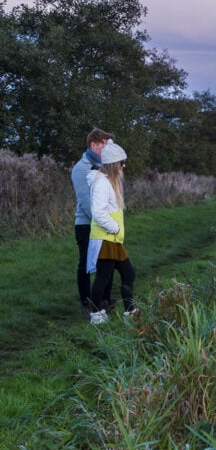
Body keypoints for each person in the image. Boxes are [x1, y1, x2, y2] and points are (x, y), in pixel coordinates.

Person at [86, 142, 137, 325]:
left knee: (128, 273)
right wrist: (114, 228)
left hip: (112, 239)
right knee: (103, 276)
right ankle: (96, 313)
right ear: (114, 164)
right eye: (122, 163)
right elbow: (98, 212)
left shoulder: (110, 182)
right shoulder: (101, 183)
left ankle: (131, 312)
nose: (124, 166)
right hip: (105, 237)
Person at [72, 128, 113, 318]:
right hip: (86, 224)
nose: (106, 148)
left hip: (104, 222)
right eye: (104, 144)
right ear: (93, 144)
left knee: (107, 262)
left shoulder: (106, 167)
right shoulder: (81, 169)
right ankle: (86, 303)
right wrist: (104, 221)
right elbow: (86, 201)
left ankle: (105, 300)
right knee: (86, 265)